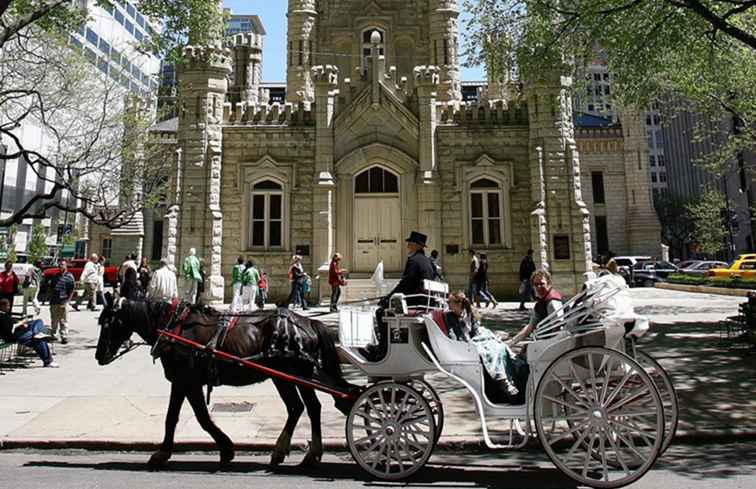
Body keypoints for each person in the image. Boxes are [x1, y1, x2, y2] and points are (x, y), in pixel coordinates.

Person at [436, 292, 524, 402]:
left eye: (450, 302)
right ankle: (502, 380)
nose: (448, 304)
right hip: (465, 343)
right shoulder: (450, 316)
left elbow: (476, 329)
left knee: (499, 347)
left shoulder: (468, 313)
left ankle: (512, 376)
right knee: (489, 350)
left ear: (458, 304)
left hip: (475, 338)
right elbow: (453, 335)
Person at [362, 231, 435, 361]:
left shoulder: (413, 260)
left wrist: (388, 298)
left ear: (418, 245)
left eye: (410, 243)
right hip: (424, 301)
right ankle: (384, 347)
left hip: (415, 301)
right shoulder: (427, 261)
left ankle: (382, 350)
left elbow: (405, 284)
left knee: (381, 312)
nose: (408, 246)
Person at [510, 270, 563, 346]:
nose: (539, 287)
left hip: (555, 342)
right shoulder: (541, 303)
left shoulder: (552, 302)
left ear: (549, 284)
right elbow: (529, 328)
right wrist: (511, 342)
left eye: (542, 284)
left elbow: (558, 326)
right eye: (536, 284)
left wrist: (548, 345)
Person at [0, 299, 58, 368]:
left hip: (20, 332)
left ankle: (37, 334)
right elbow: (11, 330)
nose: (9, 307)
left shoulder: (4, 315)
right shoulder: (1, 316)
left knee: (38, 322)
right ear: (2, 306)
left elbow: (12, 324)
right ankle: (48, 361)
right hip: (15, 336)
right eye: (7, 306)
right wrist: (21, 323)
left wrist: (22, 323)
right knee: (39, 339)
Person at [49, 259, 75, 344]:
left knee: (63, 320)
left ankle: (64, 336)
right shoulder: (55, 276)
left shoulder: (69, 276)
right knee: (54, 320)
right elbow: (51, 288)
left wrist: (68, 301)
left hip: (63, 301)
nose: (61, 267)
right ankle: (53, 335)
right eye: (59, 265)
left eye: (62, 265)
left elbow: (72, 290)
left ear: (66, 266)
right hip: (54, 301)